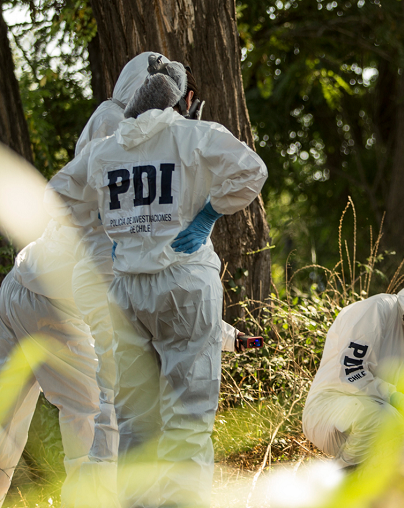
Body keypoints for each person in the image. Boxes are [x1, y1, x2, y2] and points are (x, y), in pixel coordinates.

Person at [47, 54, 268, 508]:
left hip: (128, 292)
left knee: (136, 423)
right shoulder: (195, 134)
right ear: (185, 99)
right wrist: (208, 214)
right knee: (187, 420)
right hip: (185, 287)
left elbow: (59, 194)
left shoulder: (106, 149)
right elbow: (252, 170)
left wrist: (105, 231)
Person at [303, 271, 404, 467]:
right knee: (383, 419)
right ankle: (341, 480)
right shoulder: (376, 311)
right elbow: (350, 373)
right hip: (330, 408)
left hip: (394, 419)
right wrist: (398, 399)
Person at [0, 221, 99, 507]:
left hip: (17, 283)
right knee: (92, 411)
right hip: (55, 309)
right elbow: (170, 302)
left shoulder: (94, 180)